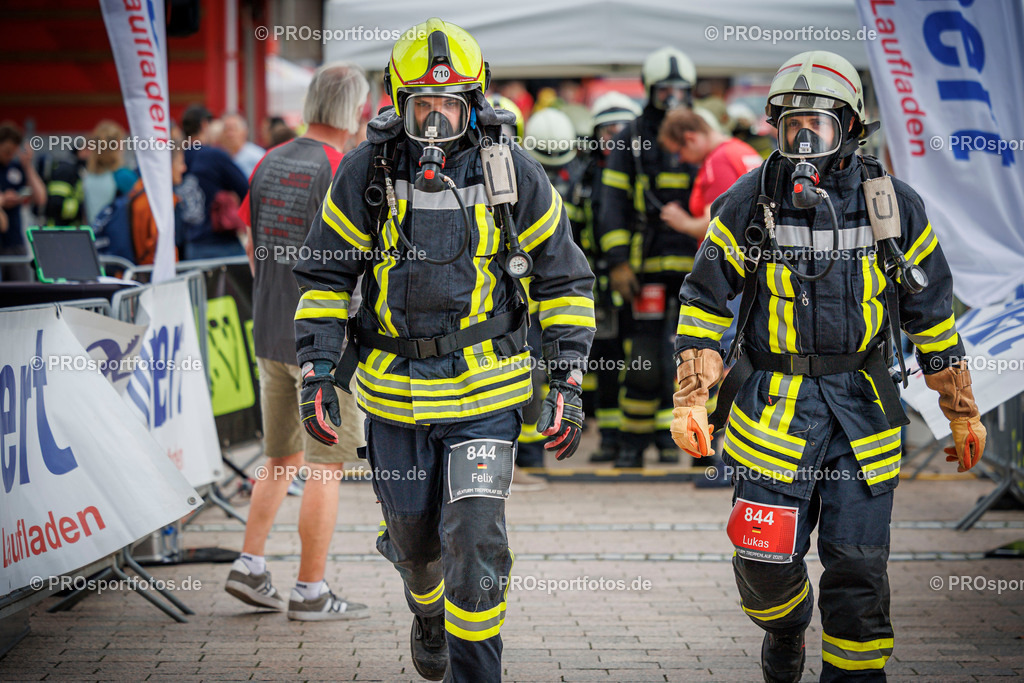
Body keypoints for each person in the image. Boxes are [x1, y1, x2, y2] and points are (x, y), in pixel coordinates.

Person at [292, 18, 595, 681]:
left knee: (476, 537)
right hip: (395, 396)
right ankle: (427, 609)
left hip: (488, 394)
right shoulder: (365, 172)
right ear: (398, 105)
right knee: (418, 545)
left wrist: (568, 380)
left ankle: (475, 671)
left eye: (449, 106)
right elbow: (324, 274)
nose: (434, 121)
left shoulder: (512, 171)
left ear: (474, 102)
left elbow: (565, 278)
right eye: (422, 106)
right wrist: (316, 368)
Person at [670, 51, 987, 682]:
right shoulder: (750, 199)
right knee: (761, 560)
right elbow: (704, 301)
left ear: (851, 129)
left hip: (863, 417)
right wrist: (692, 398)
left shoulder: (892, 206)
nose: (804, 141)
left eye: (818, 125)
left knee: (859, 572)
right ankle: (785, 625)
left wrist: (961, 410)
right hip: (774, 415)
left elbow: (931, 312)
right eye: (792, 128)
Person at [225, 63, 372, 622]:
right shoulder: (341, 168)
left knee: (279, 458)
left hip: (269, 331)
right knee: (324, 465)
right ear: (356, 111)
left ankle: (250, 565)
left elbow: (250, 241)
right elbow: (355, 263)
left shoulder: (268, 158)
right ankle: (310, 591)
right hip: (323, 346)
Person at [595, 46, 699, 468]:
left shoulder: (701, 131)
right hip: (647, 269)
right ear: (649, 89)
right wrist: (618, 260)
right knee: (644, 362)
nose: (672, 97)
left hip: (697, 272)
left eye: (680, 89)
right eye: (664, 89)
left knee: (697, 363)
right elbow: (612, 202)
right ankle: (632, 448)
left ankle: (696, 448)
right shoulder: (632, 138)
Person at [584, 92, 641, 463]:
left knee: (645, 359)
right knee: (604, 360)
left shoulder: (644, 173)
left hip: (638, 281)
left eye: (622, 130)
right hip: (599, 283)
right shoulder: (586, 176)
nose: (614, 138)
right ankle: (609, 437)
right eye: (608, 131)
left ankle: (657, 440)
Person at [658, 108, 762, 239]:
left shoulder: (718, 161)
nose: (681, 159)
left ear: (690, 139)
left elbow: (716, 225)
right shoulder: (742, 149)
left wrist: (684, 223)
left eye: (678, 152)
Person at [178, 104, 250, 260]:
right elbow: (245, 188)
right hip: (220, 242)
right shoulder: (214, 155)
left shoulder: (179, 157)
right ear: (204, 125)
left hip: (190, 243)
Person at [0, 122, 47, 281]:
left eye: (13, 152)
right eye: (6, 152)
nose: (10, 156)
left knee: (21, 288)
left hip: (14, 241)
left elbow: (40, 197)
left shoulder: (16, 167)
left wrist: (28, 166)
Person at [82, 120, 138, 225]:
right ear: (117, 146)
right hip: (116, 237)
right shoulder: (122, 176)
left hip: (93, 236)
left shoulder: (87, 177)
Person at [220, 113, 266, 177]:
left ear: (245, 131)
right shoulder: (220, 156)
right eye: (226, 130)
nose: (229, 134)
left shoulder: (257, 155)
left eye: (233, 129)